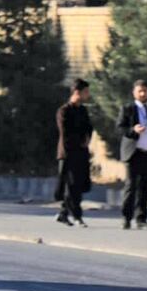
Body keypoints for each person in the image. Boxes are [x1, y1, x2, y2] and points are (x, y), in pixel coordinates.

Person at [117, 79, 147, 230]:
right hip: (134, 152)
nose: (143, 93)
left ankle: (141, 219)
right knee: (131, 186)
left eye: (145, 91)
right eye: (140, 91)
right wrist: (133, 130)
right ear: (134, 93)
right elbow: (120, 128)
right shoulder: (128, 109)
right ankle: (126, 218)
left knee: (145, 187)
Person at [55, 78, 93, 227]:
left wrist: (87, 139)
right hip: (68, 153)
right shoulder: (64, 110)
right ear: (77, 92)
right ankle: (77, 216)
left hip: (82, 152)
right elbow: (65, 132)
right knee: (72, 185)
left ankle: (64, 213)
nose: (87, 95)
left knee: (78, 184)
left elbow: (89, 127)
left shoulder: (83, 110)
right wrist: (78, 141)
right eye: (85, 92)